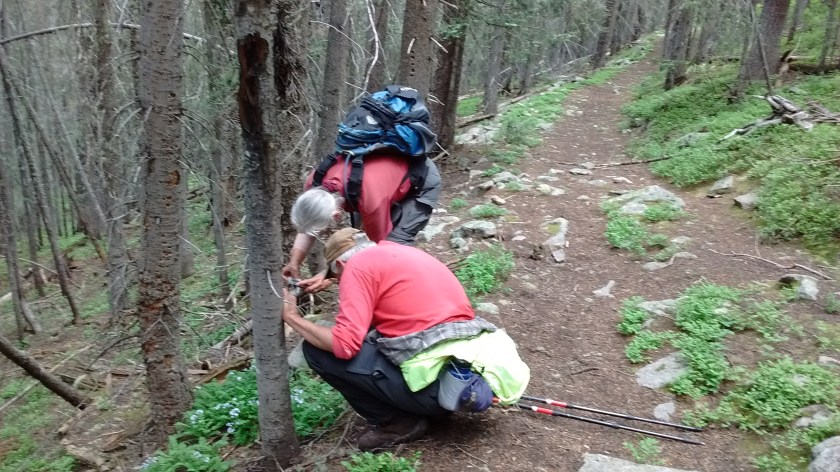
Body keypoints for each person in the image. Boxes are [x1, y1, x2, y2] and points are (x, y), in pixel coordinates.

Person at [281, 228, 530, 451]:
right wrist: (334, 279)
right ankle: (434, 403)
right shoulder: (401, 253)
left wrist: (292, 317)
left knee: (316, 351)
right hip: (464, 368)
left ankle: (399, 423)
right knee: (369, 337)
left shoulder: (356, 268)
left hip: (437, 388)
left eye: (337, 278)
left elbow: (345, 345)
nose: (338, 284)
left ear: (340, 265)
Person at [282, 152, 441, 293]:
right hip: (380, 183)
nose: (320, 232)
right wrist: (294, 262)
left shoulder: (369, 200)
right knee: (358, 243)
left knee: (393, 247)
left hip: (419, 181)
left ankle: (409, 293)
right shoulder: (314, 183)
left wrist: (328, 276)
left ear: (336, 216)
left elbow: (376, 250)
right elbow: (308, 227)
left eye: (322, 229)